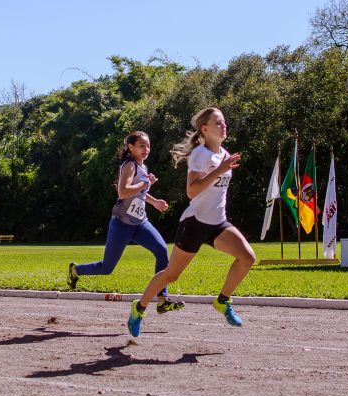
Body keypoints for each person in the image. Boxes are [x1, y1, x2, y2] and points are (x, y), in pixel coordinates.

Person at [127, 107, 255, 337]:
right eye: (218, 123)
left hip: (218, 223)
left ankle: (223, 301)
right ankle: (139, 308)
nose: (223, 126)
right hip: (194, 224)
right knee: (171, 275)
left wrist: (222, 167)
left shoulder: (224, 154)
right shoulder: (200, 154)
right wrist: (220, 170)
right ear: (204, 129)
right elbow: (192, 191)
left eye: (224, 122)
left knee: (247, 257)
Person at [68, 131, 185, 314]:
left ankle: (162, 299)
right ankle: (76, 270)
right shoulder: (129, 165)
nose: (146, 149)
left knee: (162, 250)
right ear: (131, 147)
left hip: (140, 223)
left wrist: (154, 202)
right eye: (141, 146)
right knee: (107, 268)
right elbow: (123, 192)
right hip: (122, 224)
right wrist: (145, 184)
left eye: (148, 146)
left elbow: (139, 192)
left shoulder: (143, 166)